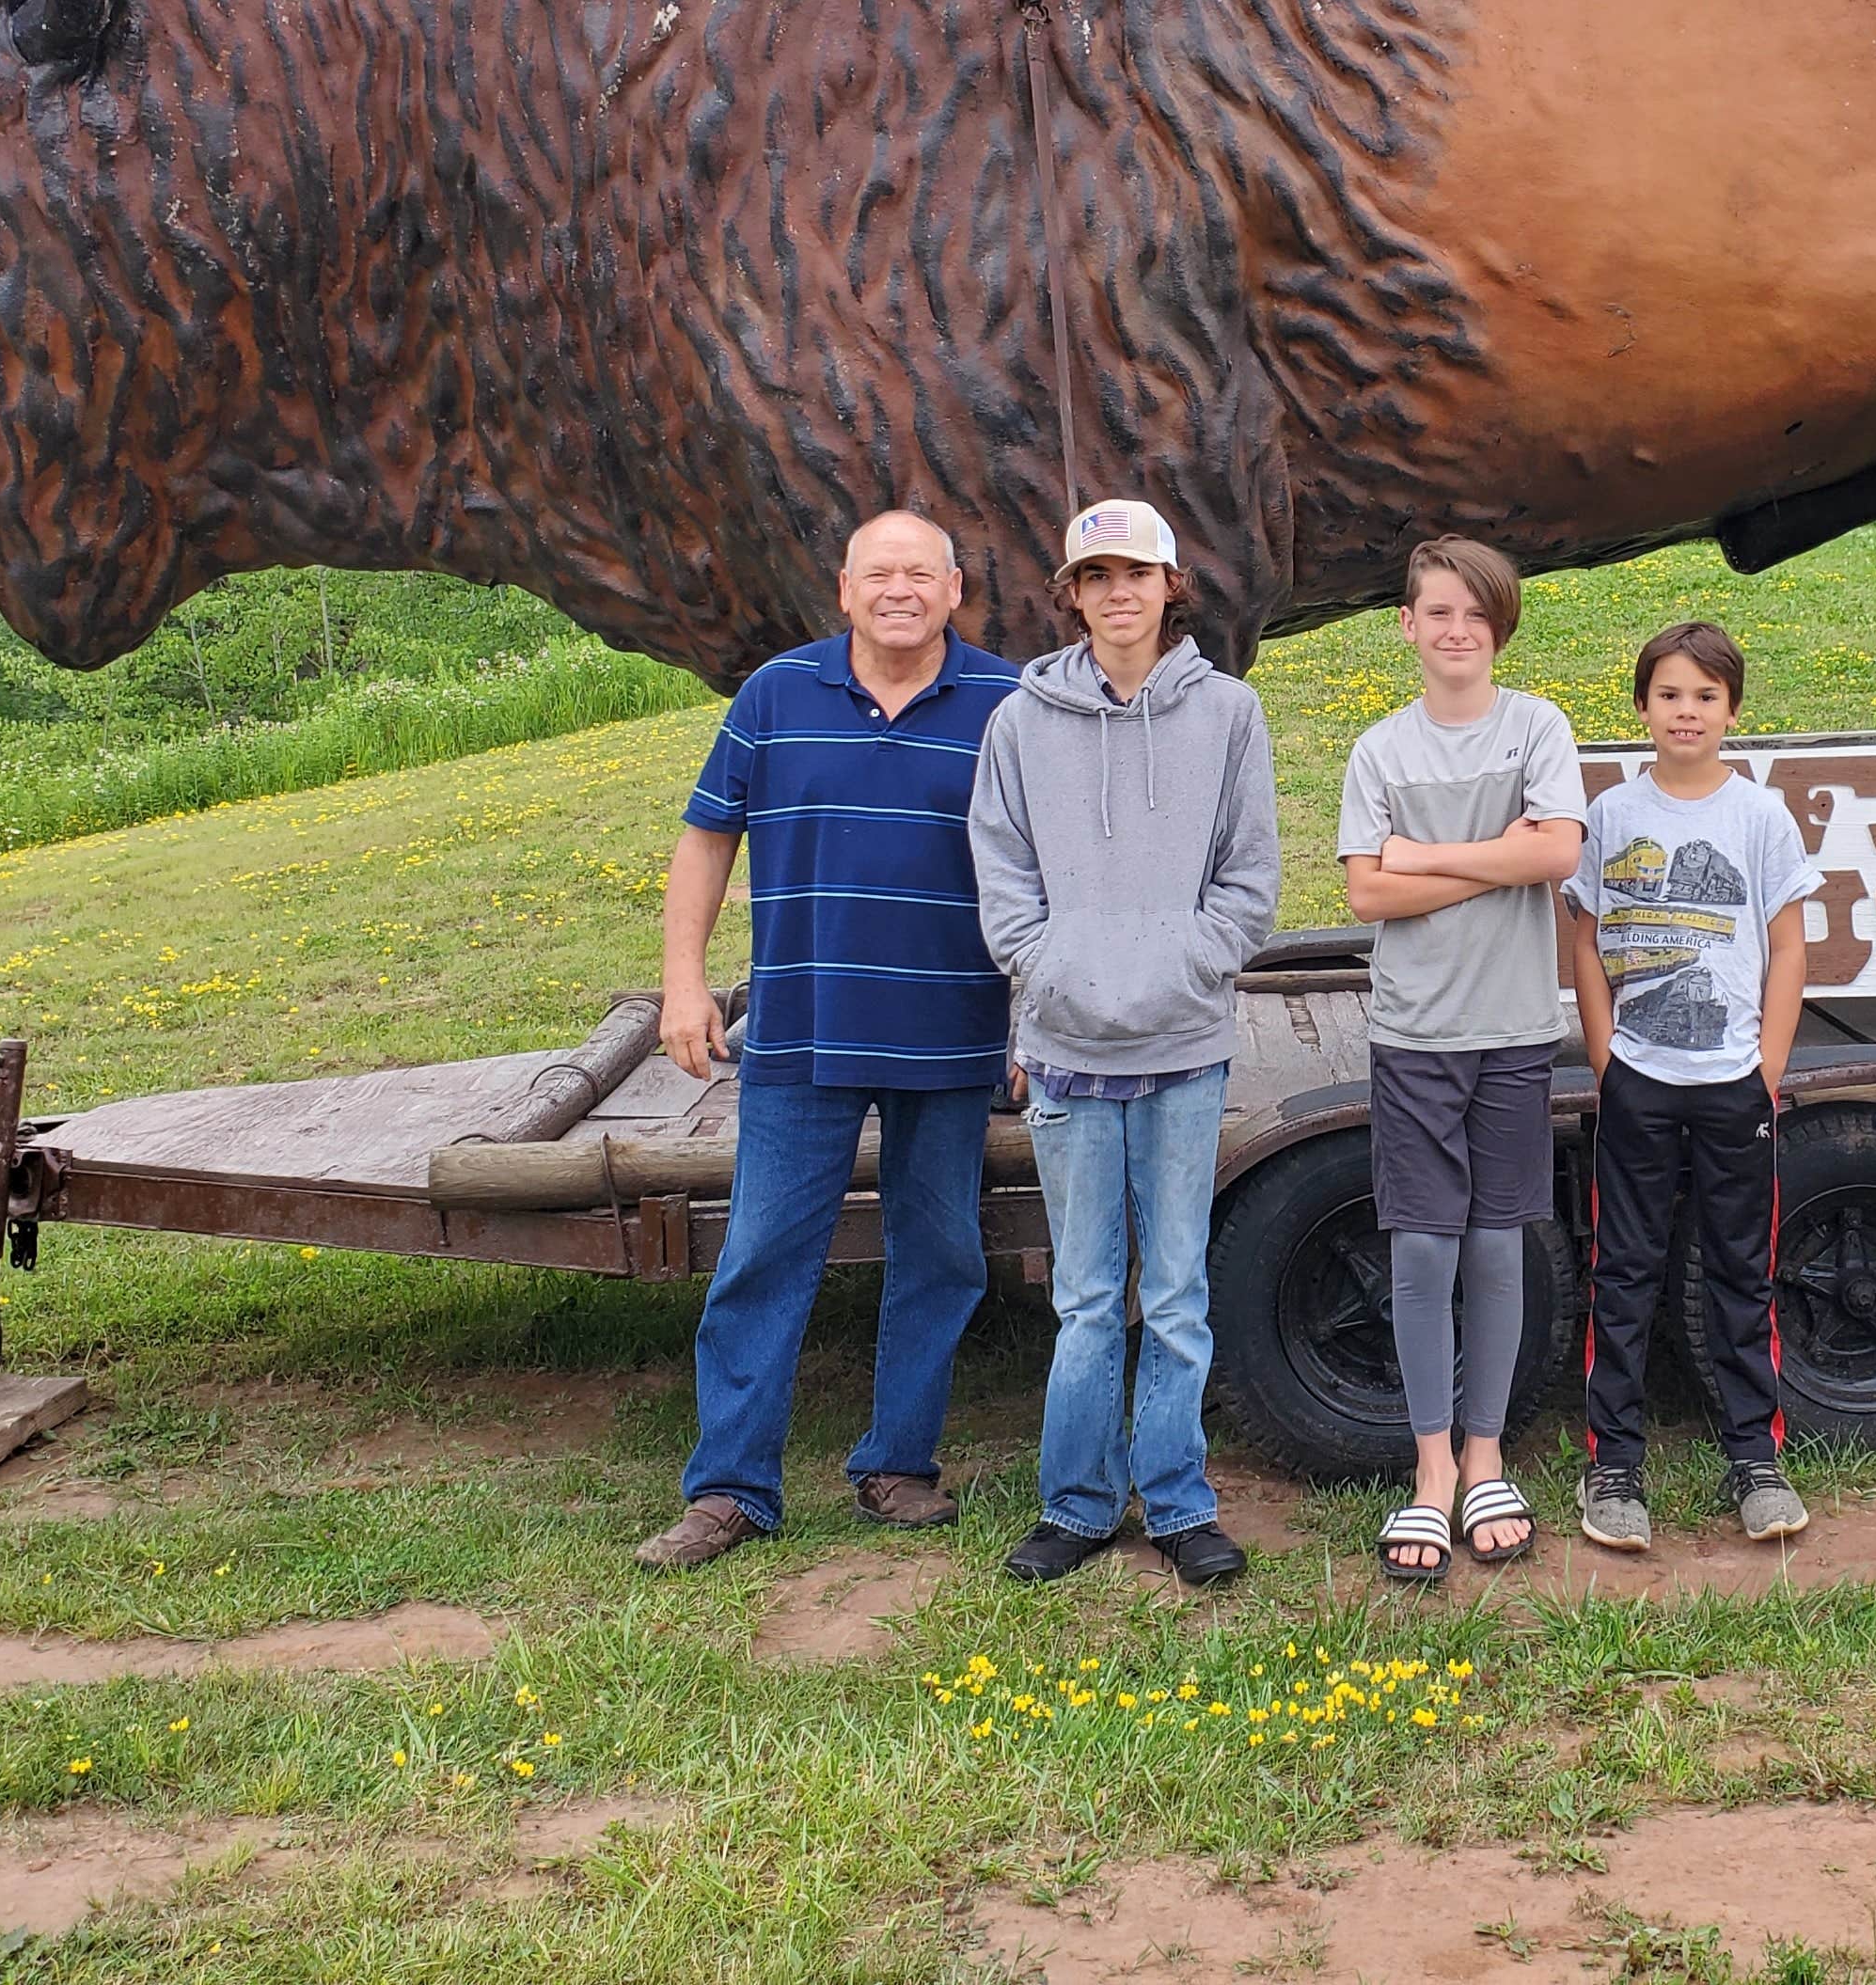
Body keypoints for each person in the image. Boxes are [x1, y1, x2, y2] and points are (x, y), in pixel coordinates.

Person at [635, 510, 1019, 1569]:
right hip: (802, 1031)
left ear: (953, 590)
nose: (900, 590)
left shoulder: (1010, 701)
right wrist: (683, 984)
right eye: (877, 574)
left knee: (941, 1254)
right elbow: (707, 839)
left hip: (953, 1033)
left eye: (920, 574)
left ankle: (899, 1464)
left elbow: (1049, 865)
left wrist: (1034, 1014)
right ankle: (731, 1490)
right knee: (763, 1254)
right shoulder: (776, 694)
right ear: (844, 590)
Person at [967, 496, 1282, 1588]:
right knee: (1090, 1296)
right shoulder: (1022, 722)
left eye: (1134, 575)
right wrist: (1050, 967)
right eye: (1095, 578)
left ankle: (1181, 1505)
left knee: (1179, 1293)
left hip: (1185, 1050)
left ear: (1168, 586)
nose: (1117, 595)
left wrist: (1187, 962)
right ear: (1072, 595)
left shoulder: (1227, 714)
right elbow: (1001, 875)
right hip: (1064, 1053)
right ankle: (1080, 1504)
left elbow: (1249, 882)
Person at [1338, 536, 1586, 1583]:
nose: (1455, 631)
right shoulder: (1379, 751)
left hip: (1518, 1027)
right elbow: (1365, 894)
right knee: (1425, 1250)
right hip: (1416, 1036)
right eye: (1436, 612)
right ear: (1407, 624)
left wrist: (1424, 855)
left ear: (1499, 626)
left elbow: (1558, 853)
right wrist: (1497, 858)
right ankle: (1431, 1467)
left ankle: (1488, 1455)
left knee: (1495, 1245)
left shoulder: (1537, 726)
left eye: (1474, 615)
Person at [1563, 620, 1819, 1551]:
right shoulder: (1611, 816)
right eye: (1670, 694)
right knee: (1625, 1273)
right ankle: (1615, 1467)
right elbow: (1585, 940)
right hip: (1639, 1080)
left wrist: (1769, 1065)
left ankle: (1755, 1457)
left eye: (1705, 697)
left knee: (1741, 1275)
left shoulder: (1759, 817)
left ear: (1732, 712)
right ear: (1641, 707)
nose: (1686, 712)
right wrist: (1605, 1055)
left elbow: (1789, 947)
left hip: (1731, 1085)